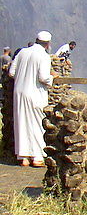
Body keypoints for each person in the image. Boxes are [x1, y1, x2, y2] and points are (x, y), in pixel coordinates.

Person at [8, 32, 54, 167]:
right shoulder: (44, 56)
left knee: (21, 123)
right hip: (35, 93)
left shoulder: (22, 52)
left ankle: (23, 157)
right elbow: (43, 77)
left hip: (19, 92)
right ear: (47, 44)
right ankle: (37, 157)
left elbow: (11, 72)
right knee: (37, 124)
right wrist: (53, 77)